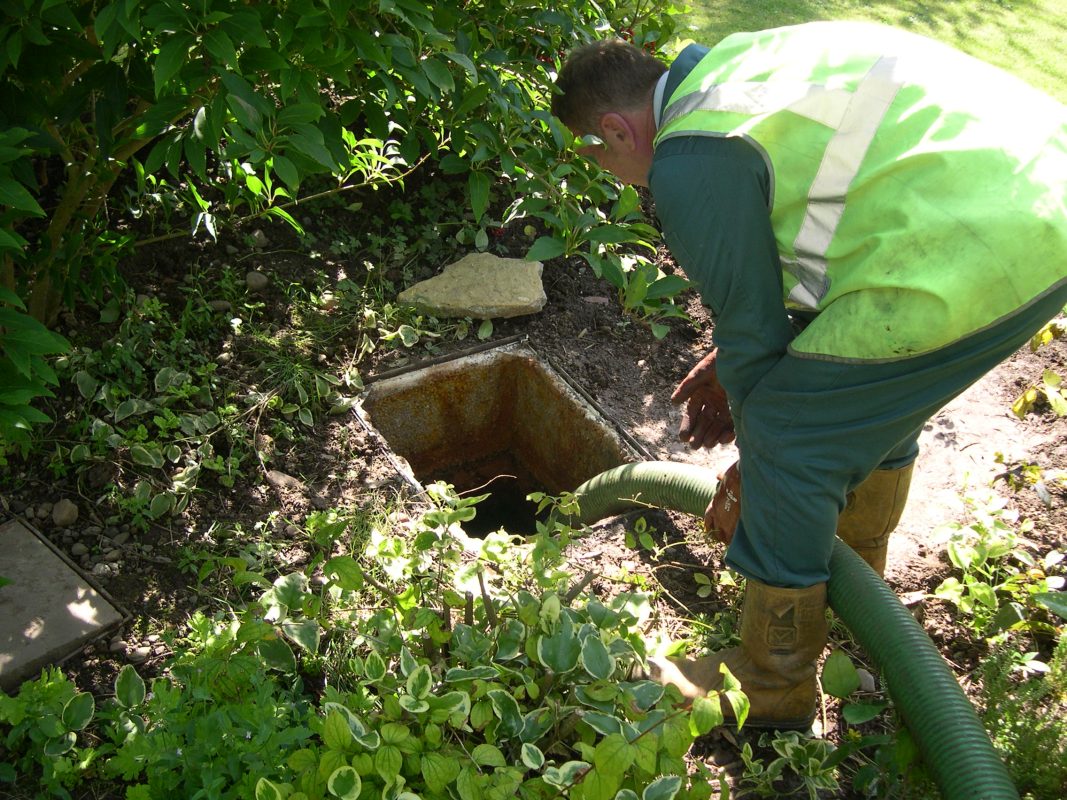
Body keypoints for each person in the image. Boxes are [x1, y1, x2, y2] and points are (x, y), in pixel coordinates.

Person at [551, 20, 1067, 729]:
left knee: (794, 436)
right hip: (1036, 205)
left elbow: (756, 342)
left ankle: (771, 682)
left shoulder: (688, 158)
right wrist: (743, 368)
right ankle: (856, 593)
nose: (606, 168)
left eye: (594, 154)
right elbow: (820, 237)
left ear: (613, 129)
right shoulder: (737, 72)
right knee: (855, 402)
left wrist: (767, 472)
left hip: (968, 251)